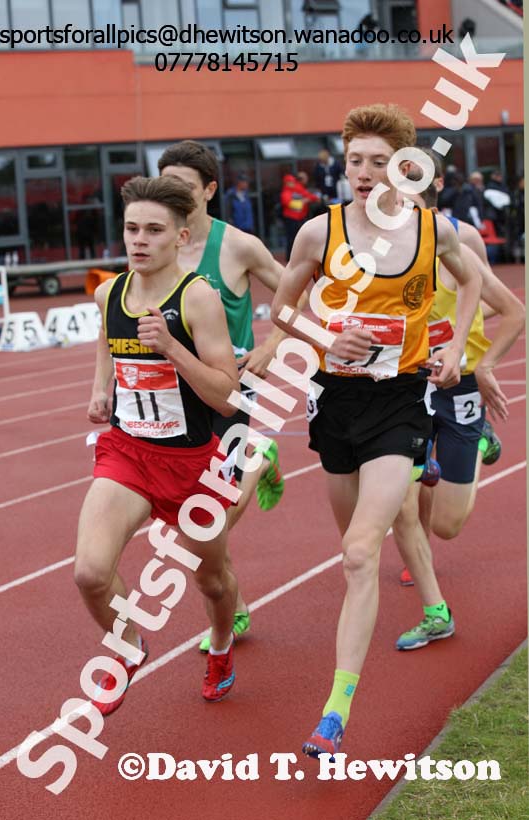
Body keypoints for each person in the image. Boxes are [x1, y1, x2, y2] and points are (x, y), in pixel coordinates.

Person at [271, 103, 481, 758]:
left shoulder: (431, 230)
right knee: (352, 550)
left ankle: (334, 714)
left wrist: (454, 356)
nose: (361, 173)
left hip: (399, 402)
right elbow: (280, 307)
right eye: (354, 160)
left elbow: (472, 280)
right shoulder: (317, 233)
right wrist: (327, 331)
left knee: (362, 551)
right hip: (333, 405)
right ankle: (408, 570)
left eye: (376, 162)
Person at [74, 175, 241, 714]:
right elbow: (109, 350)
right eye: (131, 229)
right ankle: (128, 647)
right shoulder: (109, 293)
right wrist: (101, 391)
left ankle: (220, 646)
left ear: (181, 238)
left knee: (213, 583)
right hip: (128, 452)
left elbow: (227, 397)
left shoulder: (198, 298)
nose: (139, 240)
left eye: (153, 230)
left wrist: (172, 348)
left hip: (194, 464)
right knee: (90, 573)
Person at [157, 140, 288, 652]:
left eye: (185, 188)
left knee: (208, 516)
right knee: (192, 510)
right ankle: (234, 607)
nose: (174, 196)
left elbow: (302, 292)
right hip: (172, 394)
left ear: (210, 189)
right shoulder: (158, 243)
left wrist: (275, 341)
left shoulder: (239, 246)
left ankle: (257, 461)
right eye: (167, 185)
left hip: (230, 391)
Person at [395, 153, 525, 601]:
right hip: (407, 387)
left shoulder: (461, 242)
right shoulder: (378, 253)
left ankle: (477, 439)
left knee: (449, 524)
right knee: (405, 489)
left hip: (459, 385)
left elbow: (500, 307)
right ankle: (420, 562)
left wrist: (473, 356)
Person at [280, 173, 320, 259]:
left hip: (300, 218)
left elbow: (308, 195)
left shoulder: (297, 189)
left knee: (301, 238)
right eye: (290, 182)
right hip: (291, 219)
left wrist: (315, 198)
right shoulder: (285, 193)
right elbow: (292, 204)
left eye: (293, 182)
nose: (292, 183)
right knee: (291, 239)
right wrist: (304, 201)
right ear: (286, 183)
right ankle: (289, 258)